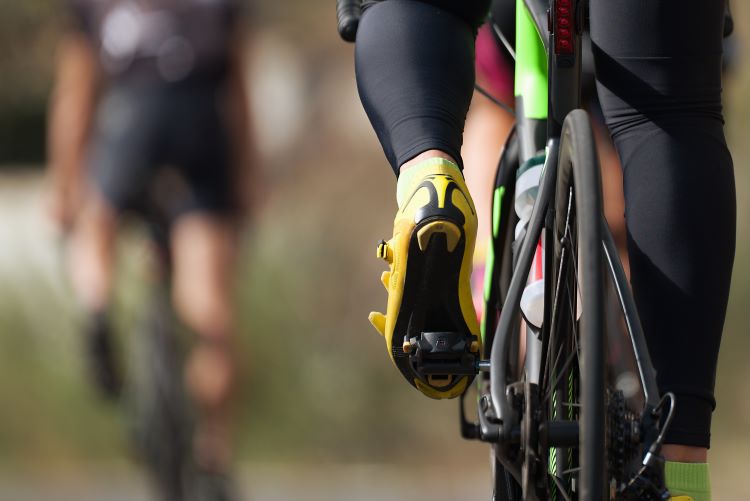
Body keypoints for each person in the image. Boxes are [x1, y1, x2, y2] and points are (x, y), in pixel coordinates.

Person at [356, 1, 735, 500]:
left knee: (422, 7)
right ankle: (681, 470)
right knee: (670, 115)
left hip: (503, 50)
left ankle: (430, 174)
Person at [47, 0, 252, 496]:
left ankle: (95, 304)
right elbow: (239, 96)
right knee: (208, 310)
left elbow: (76, 98)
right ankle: (212, 454)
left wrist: (64, 186)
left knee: (94, 223)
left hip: (130, 117)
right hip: (200, 122)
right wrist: (249, 173)